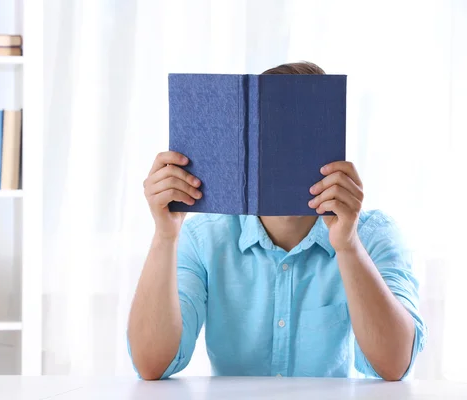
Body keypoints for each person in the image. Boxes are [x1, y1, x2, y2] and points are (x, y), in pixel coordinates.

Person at [126, 61, 426, 381]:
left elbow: (395, 366)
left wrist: (349, 246)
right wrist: (164, 235)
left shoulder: (374, 234)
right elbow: (151, 364)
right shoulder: (204, 237)